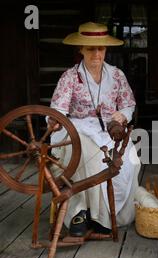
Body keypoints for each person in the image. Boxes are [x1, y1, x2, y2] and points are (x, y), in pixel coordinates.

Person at [48, 22, 141, 237]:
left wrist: (122, 115)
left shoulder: (116, 75)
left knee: (130, 157)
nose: (96, 54)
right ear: (80, 49)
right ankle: (82, 212)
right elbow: (57, 111)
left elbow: (128, 103)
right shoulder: (70, 77)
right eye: (90, 48)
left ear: (106, 49)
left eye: (101, 48)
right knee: (88, 151)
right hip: (75, 128)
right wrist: (55, 122)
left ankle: (110, 215)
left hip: (109, 129)